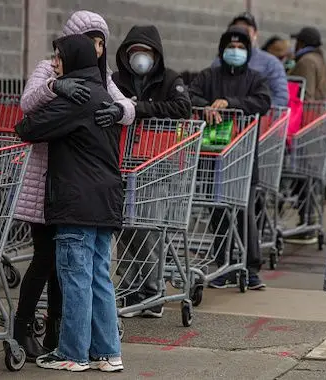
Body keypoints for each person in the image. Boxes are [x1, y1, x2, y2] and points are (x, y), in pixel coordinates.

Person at [14, 10, 133, 361]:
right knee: (49, 259)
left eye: (101, 42)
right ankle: (27, 326)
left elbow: (126, 105)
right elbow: (27, 103)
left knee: (74, 271)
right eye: (91, 41)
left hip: (73, 185)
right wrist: (55, 85)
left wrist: (119, 112)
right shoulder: (50, 68)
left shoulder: (100, 79)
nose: (97, 48)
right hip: (48, 181)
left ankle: (66, 343)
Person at [107, 24, 192, 319]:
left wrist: (140, 108)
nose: (139, 58)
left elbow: (182, 108)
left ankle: (152, 293)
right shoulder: (117, 80)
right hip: (123, 161)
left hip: (158, 164)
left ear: (155, 55)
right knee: (126, 228)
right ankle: (131, 288)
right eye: (134, 52)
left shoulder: (170, 80)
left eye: (144, 52)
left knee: (148, 228)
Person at [189, 25, 271, 290]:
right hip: (215, 156)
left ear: (247, 51)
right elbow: (190, 95)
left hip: (243, 157)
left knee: (244, 212)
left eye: (240, 48)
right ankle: (223, 263)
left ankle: (251, 267)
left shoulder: (255, 79)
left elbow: (262, 102)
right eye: (230, 47)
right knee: (219, 213)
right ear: (222, 50)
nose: (235, 52)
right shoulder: (208, 76)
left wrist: (231, 104)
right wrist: (205, 107)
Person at [212, 12, 287, 107]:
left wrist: (262, 113)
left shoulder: (271, 64)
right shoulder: (218, 63)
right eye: (237, 30)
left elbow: (280, 96)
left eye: (246, 31)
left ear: (255, 34)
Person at [289, 26, 326, 101]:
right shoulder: (317, 58)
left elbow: (307, 93)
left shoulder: (307, 61)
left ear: (301, 43)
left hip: (308, 110)